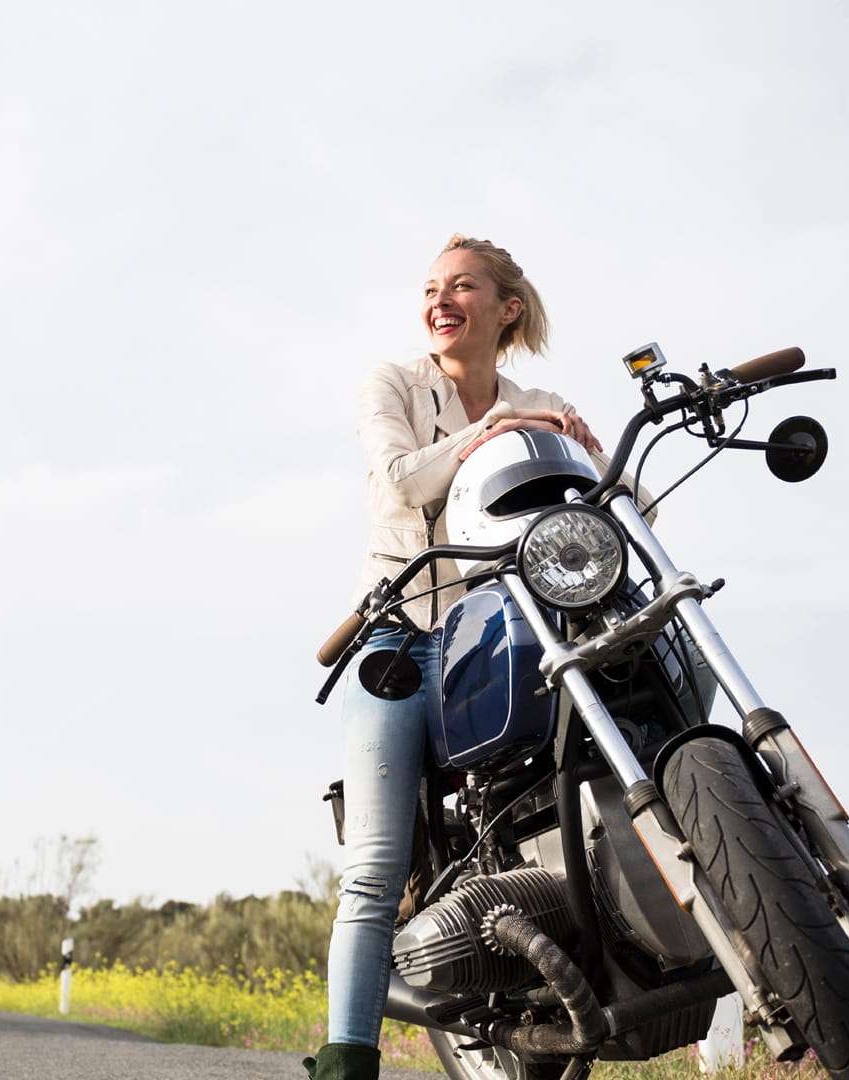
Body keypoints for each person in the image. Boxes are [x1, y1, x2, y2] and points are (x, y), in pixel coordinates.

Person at [304, 235, 605, 1080]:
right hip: (399, 635)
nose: (440, 300)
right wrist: (496, 430)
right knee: (375, 865)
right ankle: (345, 1062)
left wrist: (597, 462)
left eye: (462, 286)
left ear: (507, 308)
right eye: (432, 287)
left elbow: (621, 506)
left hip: (506, 633)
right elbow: (403, 481)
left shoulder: (543, 401)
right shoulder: (395, 384)